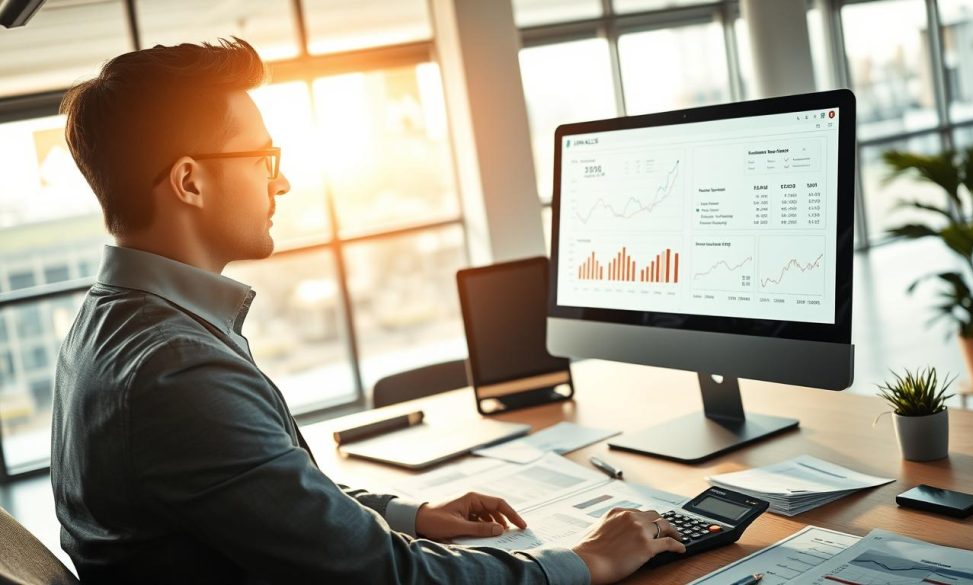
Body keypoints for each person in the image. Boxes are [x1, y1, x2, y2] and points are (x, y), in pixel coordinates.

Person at [52, 38, 686, 584]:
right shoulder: (177, 368)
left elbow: (271, 496)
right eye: (263, 160)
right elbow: (382, 576)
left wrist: (408, 514)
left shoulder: (109, 324)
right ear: (189, 182)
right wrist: (583, 562)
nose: (282, 183)